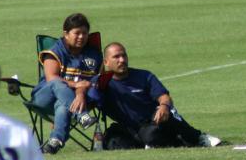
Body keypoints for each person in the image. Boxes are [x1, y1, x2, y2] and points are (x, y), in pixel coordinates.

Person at [90, 42, 221, 149]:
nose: (122, 60)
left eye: (124, 56)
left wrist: (164, 106)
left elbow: (164, 96)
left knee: (159, 124)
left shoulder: (144, 76)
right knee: (120, 142)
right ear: (106, 62)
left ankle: (198, 137)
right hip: (131, 128)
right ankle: (167, 142)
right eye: (116, 57)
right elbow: (92, 98)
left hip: (156, 120)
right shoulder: (101, 83)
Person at [32, 12, 103, 154]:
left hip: (74, 101)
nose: (81, 37)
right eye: (77, 33)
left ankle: (54, 142)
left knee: (63, 105)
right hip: (44, 99)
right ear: (66, 33)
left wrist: (80, 93)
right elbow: (51, 78)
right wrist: (77, 86)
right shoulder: (55, 51)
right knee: (57, 84)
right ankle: (82, 115)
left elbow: (89, 83)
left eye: (85, 33)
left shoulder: (94, 55)